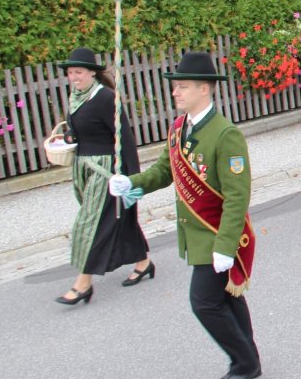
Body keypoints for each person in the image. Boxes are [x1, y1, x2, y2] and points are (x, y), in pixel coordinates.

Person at [109, 52, 261, 379]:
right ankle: (248, 356)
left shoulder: (225, 134)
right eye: (176, 87)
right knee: (226, 297)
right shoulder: (179, 127)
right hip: (196, 232)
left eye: (183, 87)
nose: (175, 92)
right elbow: (166, 170)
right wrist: (132, 183)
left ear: (204, 89)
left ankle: (245, 364)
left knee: (204, 302)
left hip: (217, 233)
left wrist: (225, 245)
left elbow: (237, 195)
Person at [54, 48, 152, 305]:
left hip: (106, 171)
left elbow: (125, 139)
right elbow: (81, 132)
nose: (74, 77)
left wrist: (132, 178)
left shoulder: (106, 97)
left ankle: (83, 283)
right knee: (114, 218)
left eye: (79, 72)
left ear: (92, 73)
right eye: (70, 73)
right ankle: (144, 261)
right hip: (83, 169)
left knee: (91, 224)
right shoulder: (75, 97)